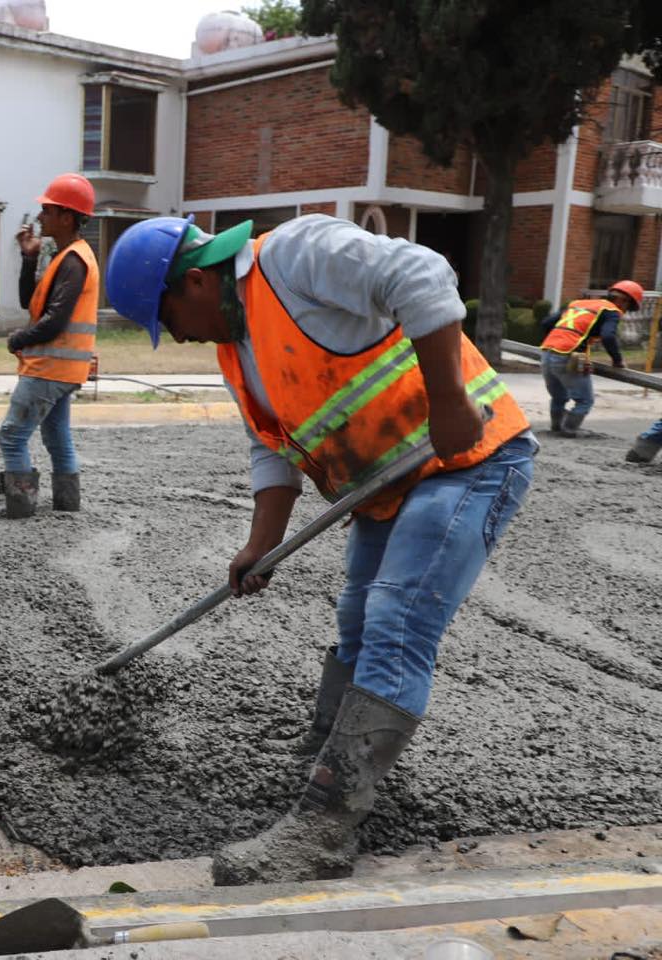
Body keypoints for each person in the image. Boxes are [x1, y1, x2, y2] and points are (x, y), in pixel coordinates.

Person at [106, 213, 537, 886]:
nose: (181, 337)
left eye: (171, 320)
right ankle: (332, 755)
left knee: (396, 623)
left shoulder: (295, 255)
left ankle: (324, 829)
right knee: (357, 624)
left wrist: (450, 402)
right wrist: (260, 544)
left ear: (194, 282)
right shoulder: (235, 346)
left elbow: (424, 275)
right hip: (386, 484)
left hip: (466, 457)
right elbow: (270, 445)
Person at [0, 173, 99, 518]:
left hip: (50, 368)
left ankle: (21, 508)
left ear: (68, 217)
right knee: (56, 435)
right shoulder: (66, 257)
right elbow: (32, 301)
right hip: (64, 368)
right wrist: (28, 258)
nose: (40, 217)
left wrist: (17, 339)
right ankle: (67, 506)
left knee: (11, 436)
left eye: (48, 211)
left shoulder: (74, 261)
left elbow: (54, 321)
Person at [538, 281, 641, 437]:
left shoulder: (578, 303)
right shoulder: (611, 310)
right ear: (623, 300)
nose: (625, 311)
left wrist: (557, 342)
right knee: (585, 400)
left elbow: (546, 323)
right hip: (569, 355)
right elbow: (608, 336)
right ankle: (570, 429)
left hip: (547, 351)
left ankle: (556, 427)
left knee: (559, 396)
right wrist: (617, 360)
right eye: (628, 307)